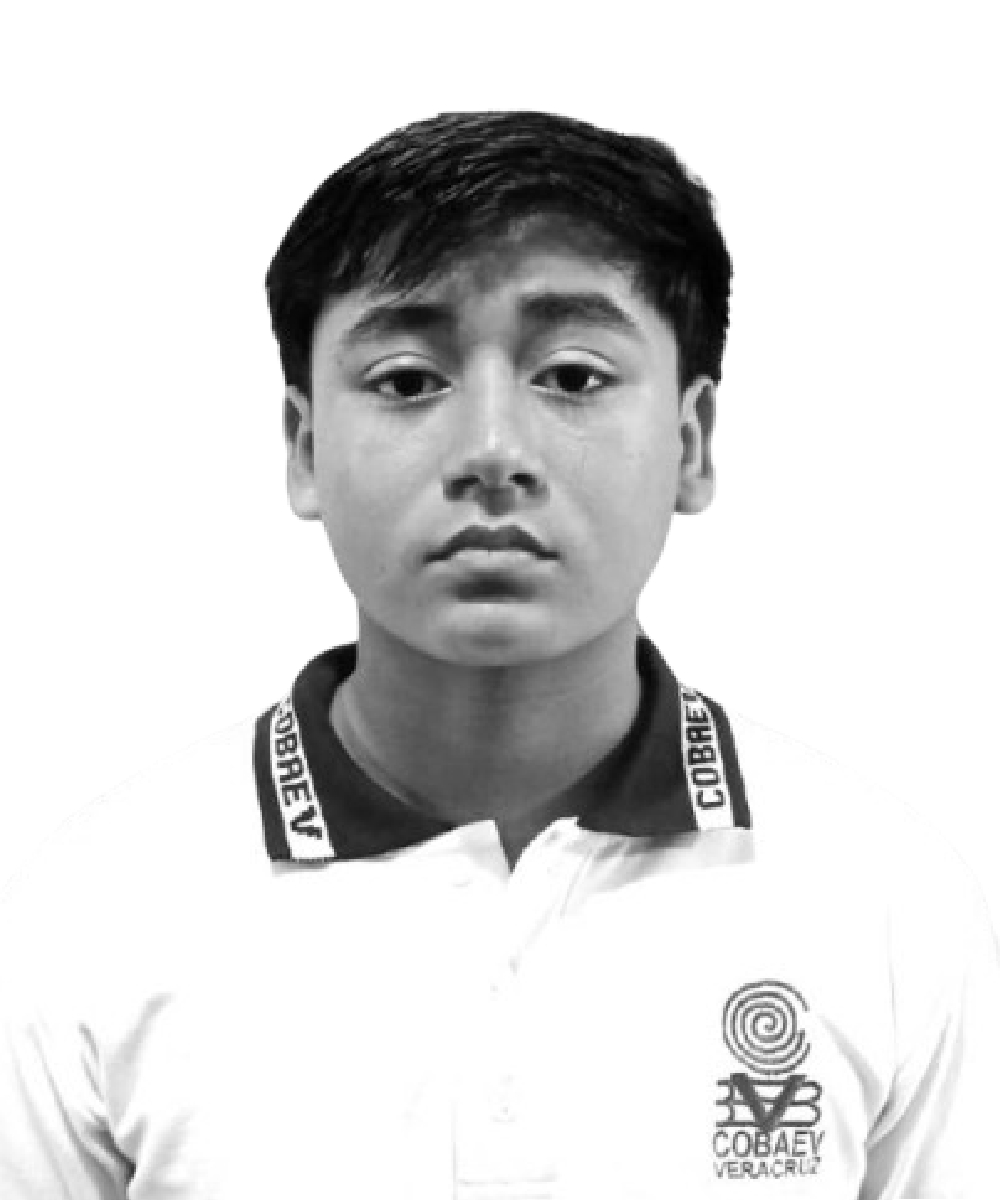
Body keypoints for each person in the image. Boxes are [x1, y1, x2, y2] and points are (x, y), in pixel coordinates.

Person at [0, 109, 996, 1199]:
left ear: (690, 441)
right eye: (406, 380)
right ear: (305, 447)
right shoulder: (93, 912)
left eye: (571, 376)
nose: (491, 451)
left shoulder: (883, 897)